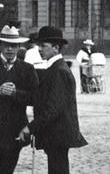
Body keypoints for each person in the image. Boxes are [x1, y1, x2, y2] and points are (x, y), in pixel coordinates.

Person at [19, 26, 87, 174]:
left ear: (56, 48)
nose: (39, 49)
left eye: (43, 46)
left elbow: (52, 109)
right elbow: (39, 98)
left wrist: (30, 127)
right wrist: (15, 94)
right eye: (39, 45)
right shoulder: (53, 68)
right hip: (55, 134)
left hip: (59, 134)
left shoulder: (59, 71)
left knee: (58, 170)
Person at [0, 26, 38, 174]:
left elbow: (35, 98)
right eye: (6, 45)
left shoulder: (27, 69)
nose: (10, 49)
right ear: (0, 46)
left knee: (8, 169)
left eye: (14, 46)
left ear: (19, 47)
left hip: (15, 131)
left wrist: (15, 93)